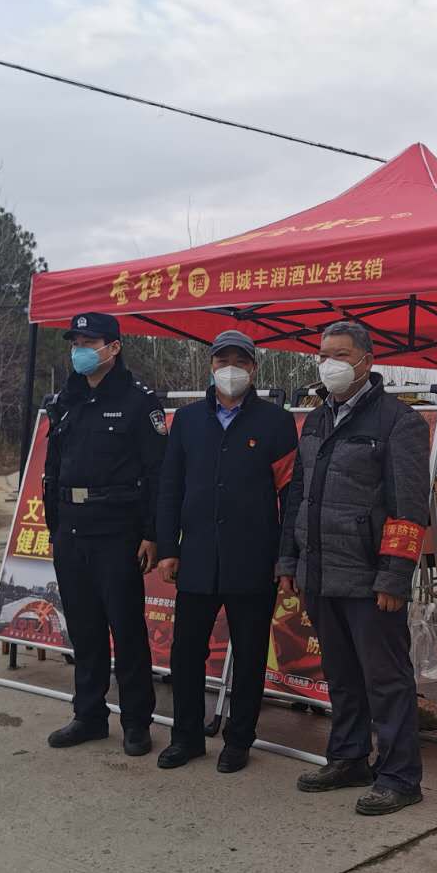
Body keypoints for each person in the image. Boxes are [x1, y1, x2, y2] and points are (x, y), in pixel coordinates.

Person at [278, 320, 430, 816]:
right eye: (324, 355)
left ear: (367, 360)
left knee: (386, 679)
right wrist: (289, 560)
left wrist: (394, 575)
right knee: (340, 675)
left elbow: (409, 506)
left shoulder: (398, 422)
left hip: (369, 577)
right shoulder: (316, 419)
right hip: (320, 572)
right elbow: (298, 497)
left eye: (341, 355)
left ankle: (400, 775)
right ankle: (348, 758)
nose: (331, 365)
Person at [155, 330, 298, 773]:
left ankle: (239, 740)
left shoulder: (276, 423)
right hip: (196, 557)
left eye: (240, 361)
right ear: (211, 366)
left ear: (253, 368)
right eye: (222, 361)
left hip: (254, 560)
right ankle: (186, 738)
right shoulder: (188, 420)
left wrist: (286, 557)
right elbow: (170, 487)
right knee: (186, 653)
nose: (230, 369)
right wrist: (167, 548)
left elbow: (291, 497)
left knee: (250, 655)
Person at [42, 312, 167, 757]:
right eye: (75, 342)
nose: (80, 350)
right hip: (71, 531)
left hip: (117, 531)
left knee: (126, 631)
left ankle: (136, 722)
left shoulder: (139, 402)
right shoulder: (66, 400)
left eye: (89, 342)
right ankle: (89, 715)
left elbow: (158, 474)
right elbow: (53, 467)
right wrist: (55, 527)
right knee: (85, 629)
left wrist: (152, 534)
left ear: (113, 347)